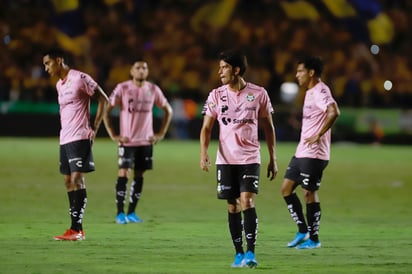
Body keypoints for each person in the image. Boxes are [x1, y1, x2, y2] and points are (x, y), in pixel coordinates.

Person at [200, 49, 278, 268]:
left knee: (247, 201)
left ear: (236, 70)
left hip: (250, 157)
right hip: (225, 160)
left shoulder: (259, 94)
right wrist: (203, 153)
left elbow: (268, 127)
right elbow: (206, 127)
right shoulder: (216, 95)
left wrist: (273, 158)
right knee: (232, 206)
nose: (219, 71)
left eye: (224, 67)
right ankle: (238, 253)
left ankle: (251, 253)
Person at [42, 49, 109, 241]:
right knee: (68, 181)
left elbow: (104, 99)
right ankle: (74, 230)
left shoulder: (80, 78)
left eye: (48, 63)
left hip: (81, 136)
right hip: (65, 138)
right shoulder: (59, 85)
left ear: (59, 60)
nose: (46, 68)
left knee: (77, 179)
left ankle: (77, 229)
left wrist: (95, 128)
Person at [280, 56, 340, 249]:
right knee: (286, 189)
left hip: (314, 154)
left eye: (300, 71)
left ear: (311, 72)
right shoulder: (310, 92)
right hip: (302, 151)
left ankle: (314, 239)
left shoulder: (321, 90)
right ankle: (302, 230)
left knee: (309, 193)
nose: (297, 75)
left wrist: (319, 134)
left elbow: (334, 111)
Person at [105, 60, 173, 224]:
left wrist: (161, 133)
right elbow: (107, 109)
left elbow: (168, 110)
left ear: (147, 72)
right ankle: (120, 213)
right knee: (124, 173)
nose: (141, 70)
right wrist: (113, 134)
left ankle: (132, 212)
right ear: (131, 71)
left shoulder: (153, 89)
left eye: (144, 68)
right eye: (138, 68)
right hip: (127, 141)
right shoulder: (123, 88)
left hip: (145, 141)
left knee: (139, 175)